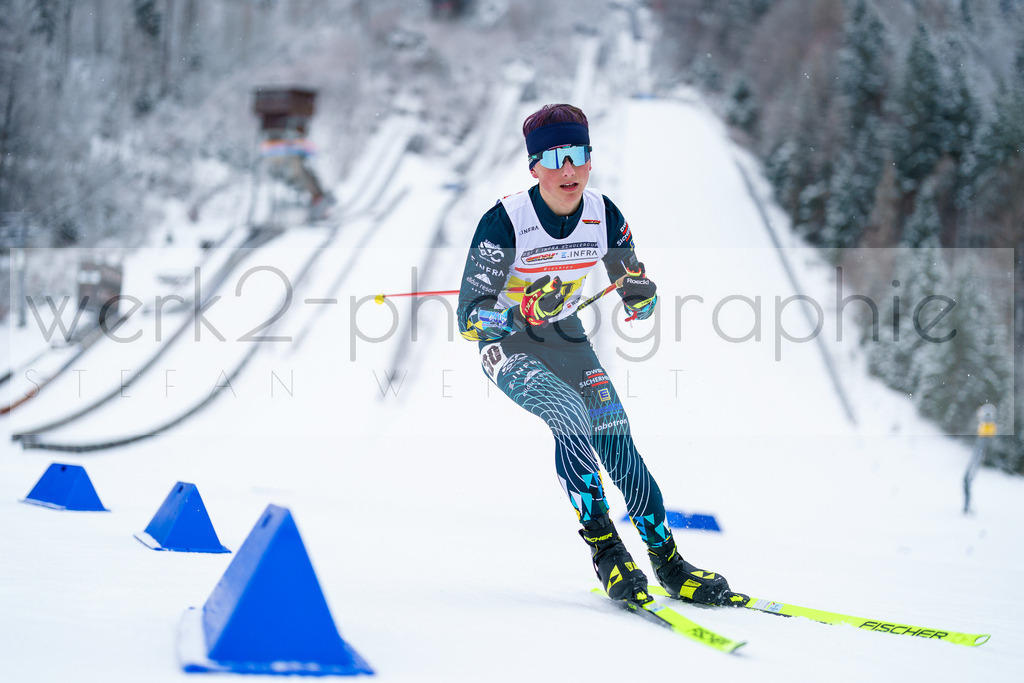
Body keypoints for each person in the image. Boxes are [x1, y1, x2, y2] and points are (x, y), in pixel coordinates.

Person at [457, 103, 738, 606]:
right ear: (534, 167)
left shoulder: (604, 214)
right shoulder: (505, 222)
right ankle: (607, 550)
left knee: (615, 435)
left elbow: (631, 279)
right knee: (568, 414)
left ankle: (668, 562)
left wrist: (641, 295)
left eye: (578, 155)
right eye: (554, 157)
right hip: (507, 345)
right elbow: (470, 315)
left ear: (590, 159)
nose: (568, 169)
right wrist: (516, 312)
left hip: (564, 336)